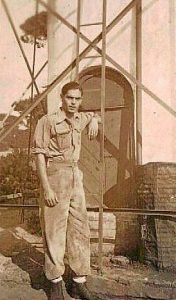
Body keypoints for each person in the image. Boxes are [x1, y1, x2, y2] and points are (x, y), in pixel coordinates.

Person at [32, 81, 101, 300]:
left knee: (80, 228)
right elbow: (39, 155)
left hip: (75, 177)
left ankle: (78, 281)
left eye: (77, 99)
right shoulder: (48, 121)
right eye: (69, 98)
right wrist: (47, 188)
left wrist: (96, 121)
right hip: (55, 176)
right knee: (54, 231)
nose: (73, 102)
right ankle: (54, 282)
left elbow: (92, 115)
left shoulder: (80, 118)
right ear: (62, 98)